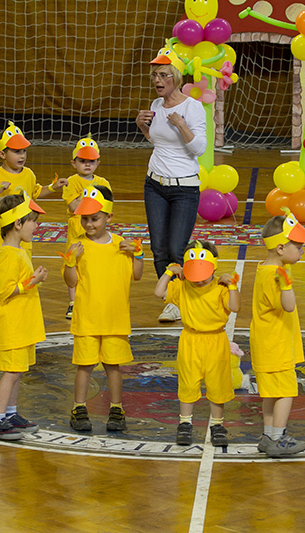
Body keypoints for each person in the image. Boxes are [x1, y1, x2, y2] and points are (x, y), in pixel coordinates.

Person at [63, 185, 144, 433]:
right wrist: (70, 262)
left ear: (109, 217)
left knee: (113, 366)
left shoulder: (122, 245)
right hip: (87, 319)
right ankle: (79, 407)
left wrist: (139, 255)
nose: (89, 224)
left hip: (115, 320)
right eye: (85, 218)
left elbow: (137, 276)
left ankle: (116, 408)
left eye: (94, 218)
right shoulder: (77, 246)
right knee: (85, 365)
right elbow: (71, 282)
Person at [135, 47, 207, 323]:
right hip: (154, 184)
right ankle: (172, 300)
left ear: (176, 77)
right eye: (155, 75)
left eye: (163, 74)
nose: (158, 80)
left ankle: (186, 295)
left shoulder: (192, 107)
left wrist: (181, 125)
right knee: (158, 248)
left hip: (184, 189)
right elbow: (157, 141)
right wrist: (142, 126)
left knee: (176, 249)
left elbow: (198, 149)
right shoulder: (155, 105)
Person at [0, 122, 66, 333]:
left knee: (21, 272)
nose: (22, 155)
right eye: (16, 151)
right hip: (0, 240)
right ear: (2, 154)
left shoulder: (28, 174)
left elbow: (35, 193)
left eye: (23, 150)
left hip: (23, 239)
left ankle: (15, 308)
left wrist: (53, 188)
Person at [153, 240, 240, 447]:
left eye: (203, 275)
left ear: (213, 268)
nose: (199, 281)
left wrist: (232, 286)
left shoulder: (220, 288)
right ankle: (185, 423)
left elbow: (235, 307)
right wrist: (169, 271)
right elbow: (159, 292)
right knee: (188, 382)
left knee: (218, 384)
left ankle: (217, 425)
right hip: (190, 340)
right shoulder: (182, 286)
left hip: (216, 341)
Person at [251, 211, 305, 457]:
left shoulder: (266, 268)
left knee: (271, 394)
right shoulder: (276, 276)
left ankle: (268, 436)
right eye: (298, 247)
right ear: (280, 248)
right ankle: (278, 438)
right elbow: (288, 305)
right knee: (286, 392)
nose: (302, 251)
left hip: (267, 345)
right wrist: (287, 285)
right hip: (276, 346)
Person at [0, 191, 48, 440]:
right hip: (11, 327)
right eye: (33, 221)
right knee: (10, 373)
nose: (36, 226)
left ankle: (10, 414)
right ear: (18, 223)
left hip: (21, 326)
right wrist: (31, 282)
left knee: (18, 371)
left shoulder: (18, 251)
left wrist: (33, 280)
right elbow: (3, 290)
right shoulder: (9, 255)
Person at [61, 135, 111, 320]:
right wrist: (91, 200)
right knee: (74, 264)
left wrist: (87, 201)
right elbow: (75, 207)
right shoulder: (71, 182)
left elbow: (105, 208)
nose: (87, 164)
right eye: (82, 161)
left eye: (91, 161)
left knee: (96, 263)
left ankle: (96, 298)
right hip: (77, 229)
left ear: (98, 162)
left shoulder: (104, 183)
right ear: (73, 163)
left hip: (98, 230)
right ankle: (73, 301)